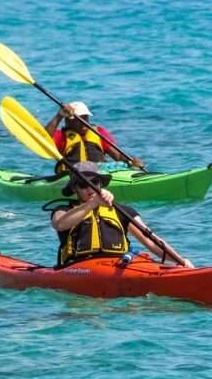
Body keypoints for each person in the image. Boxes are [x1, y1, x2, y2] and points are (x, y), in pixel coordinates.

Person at [50, 161, 193, 268]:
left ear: (100, 183)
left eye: (94, 182)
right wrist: (92, 204)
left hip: (119, 265)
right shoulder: (63, 210)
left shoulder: (122, 211)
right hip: (80, 267)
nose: (89, 188)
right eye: (82, 184)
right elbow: (59, 224)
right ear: (75, 188)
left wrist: (179, 260)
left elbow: (151, 240)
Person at [44, 101, 144, 173]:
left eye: (85, 118)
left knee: (128, 165)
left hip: (101, 171)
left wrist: (130, 160)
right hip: (74, 174)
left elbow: (117, 156)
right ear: (68, 121)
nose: (83, 122)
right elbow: (43, 139)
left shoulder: (99, 132)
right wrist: (59, 116)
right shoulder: (61, 136)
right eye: (78, 119)